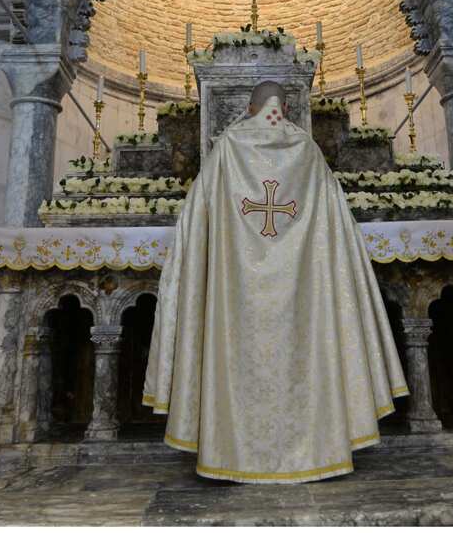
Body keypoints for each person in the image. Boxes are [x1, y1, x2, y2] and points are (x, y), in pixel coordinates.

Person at [143, 81, 408, 483]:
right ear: (285, 107)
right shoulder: (308, 153)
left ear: (249, 108)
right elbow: (338, 229)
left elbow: (194, 226)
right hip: (305, 293)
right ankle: (316, 450)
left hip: (233, 295)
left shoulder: (227, 150)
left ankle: (229, 452)